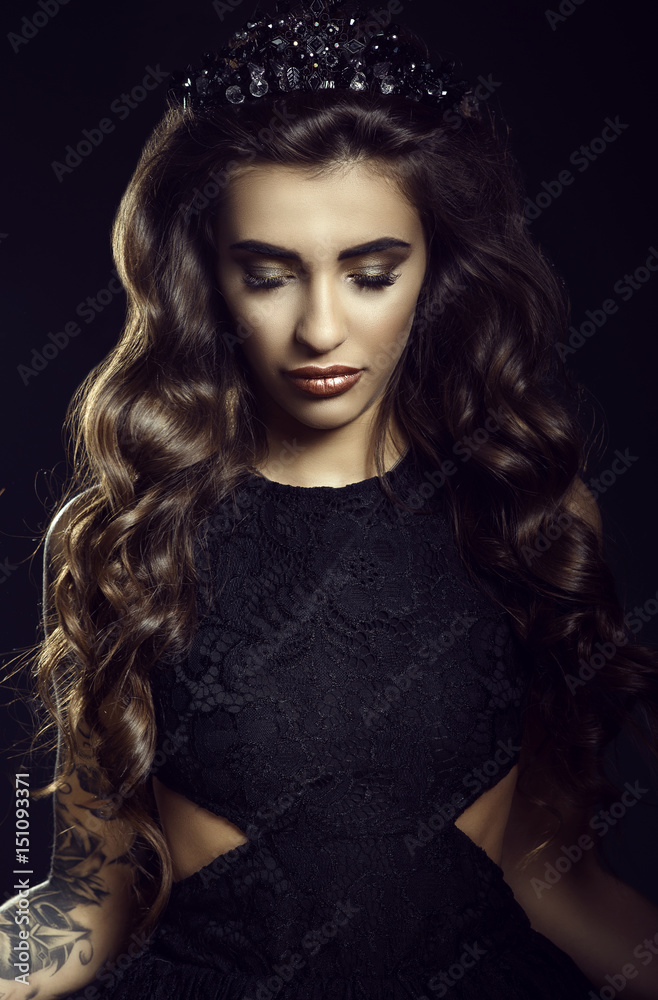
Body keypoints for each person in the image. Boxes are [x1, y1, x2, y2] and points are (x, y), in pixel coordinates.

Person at [2, 0, 658, 997]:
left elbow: (555, 882)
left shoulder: (530, 518)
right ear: (209, 277)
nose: (319, 327)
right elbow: (82, 911)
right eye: (268, 274)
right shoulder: (124, 539)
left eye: (370, 272)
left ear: (433, 267)